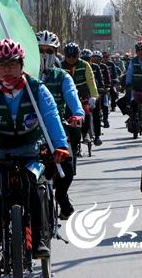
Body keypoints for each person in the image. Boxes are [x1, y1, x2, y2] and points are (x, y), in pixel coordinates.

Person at [0, 38, 70, 278]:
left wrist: (60, 145)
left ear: (22, 65)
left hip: (31, 150)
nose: (6, 69)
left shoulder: (37, 89)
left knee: (34, 185)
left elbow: (51, 117)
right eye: (1, 65)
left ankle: (40, 240)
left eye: (11, 64)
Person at [36, 31, 85, 220]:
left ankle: (61, 195)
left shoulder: (63, 76)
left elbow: (72, 97)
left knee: (68, 169)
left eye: (49, 51)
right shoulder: (25, 76)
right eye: (40, 50)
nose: (45, 55)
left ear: (56, 53)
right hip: (31, 132)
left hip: (58, 130)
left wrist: (78, 114)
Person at [61, 42, 99, 152]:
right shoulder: (60, 65)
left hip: (83, 95)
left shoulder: (85, 65)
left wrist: (94, 96)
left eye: (74, 56)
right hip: (65, 97)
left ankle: (86, 133)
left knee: (86, 111)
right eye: (68, 56)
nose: (71, 59)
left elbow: (91, 81)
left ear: (78, 55)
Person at [83, 49, 104, 145]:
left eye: (88, 59)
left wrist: (101, 88)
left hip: (93, 93)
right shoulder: (79, 66)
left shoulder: (96, 67)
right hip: (82, 94)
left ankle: (98, 136)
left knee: (96, 114)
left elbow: (100, 80)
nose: (86, 61)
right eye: (84, 59)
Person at [91, 50, 112, 129]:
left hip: (101, 89)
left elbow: (107, 78)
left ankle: (105, 119)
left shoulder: (104, 67)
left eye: (98, 59)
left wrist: (107, 87)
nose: (96, 61)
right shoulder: (89, 66)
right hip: (91, 90)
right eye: (94, 59)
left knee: (105, 103)